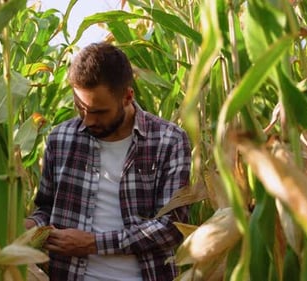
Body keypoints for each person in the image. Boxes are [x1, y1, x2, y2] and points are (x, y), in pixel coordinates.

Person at [25, 42, 192, 281]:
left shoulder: (169, 141)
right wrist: (30, 225)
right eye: (81, 108)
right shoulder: (60, 139)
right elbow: (47, 208)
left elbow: (172, 227)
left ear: (127, 96)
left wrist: (94, 243)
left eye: (99, 111)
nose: (88, 120)